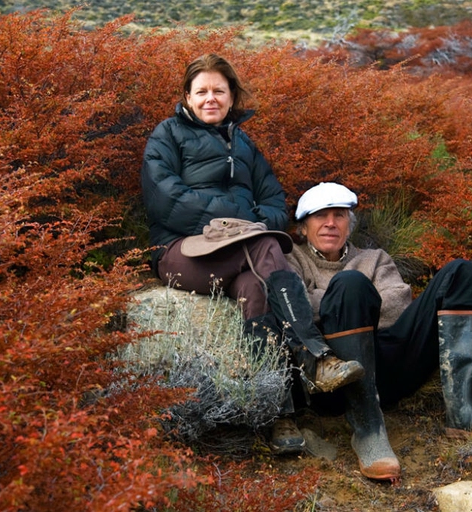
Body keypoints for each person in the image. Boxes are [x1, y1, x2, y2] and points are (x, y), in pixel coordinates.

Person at [140, 55, 365, 453]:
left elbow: (276, 202)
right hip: (183, 251)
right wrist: (239, 219)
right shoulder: (167, 135)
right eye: (201, 91)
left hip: (237, 252)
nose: (211, 98)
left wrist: (254, 220)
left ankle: (278, 412)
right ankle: (315, 356)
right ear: (187, 97)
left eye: (219, 91)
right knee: (264, 245)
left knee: (255, 287)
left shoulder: (244, 144)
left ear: (231, 97)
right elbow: (165, 199)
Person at [284, 182, 472, 482]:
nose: (331, 223)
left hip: (389, 366)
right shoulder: (290, 259)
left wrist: (343, 306)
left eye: (339, 215)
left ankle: (463, 412)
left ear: (349, 224)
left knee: (464, 272)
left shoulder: (375, 258)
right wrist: (349, 299)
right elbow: (296, 310)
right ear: (303, 227)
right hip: (332, 381)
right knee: (351, 285)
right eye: (320, 216)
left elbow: (398, 305)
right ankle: (368, 430)